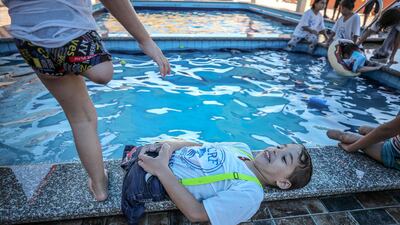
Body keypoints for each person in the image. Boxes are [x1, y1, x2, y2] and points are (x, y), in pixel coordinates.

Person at [2, 0, 171, 201]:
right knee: (101, 76)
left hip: (32, 44)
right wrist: (144, 40)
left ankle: (99, 187)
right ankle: (99, 70)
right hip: (73, 36)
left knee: (81, 119)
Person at [121, 141, 313, 225]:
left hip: (150, 179)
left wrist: (161, 169)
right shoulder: (242, 148)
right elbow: (199, 145)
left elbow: (197, 214)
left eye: (285, 159)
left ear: (283, 183)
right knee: (134, 151)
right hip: (158, 156)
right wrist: (168, 145)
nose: (276, 151)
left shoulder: (251, 192)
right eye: (281, 146)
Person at [327, 114, 400, 171]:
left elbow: (386, 130)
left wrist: (351, 148)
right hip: (395, 139)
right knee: (363, 129)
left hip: (394, 154)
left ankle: (344, 137)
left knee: (345, 137)